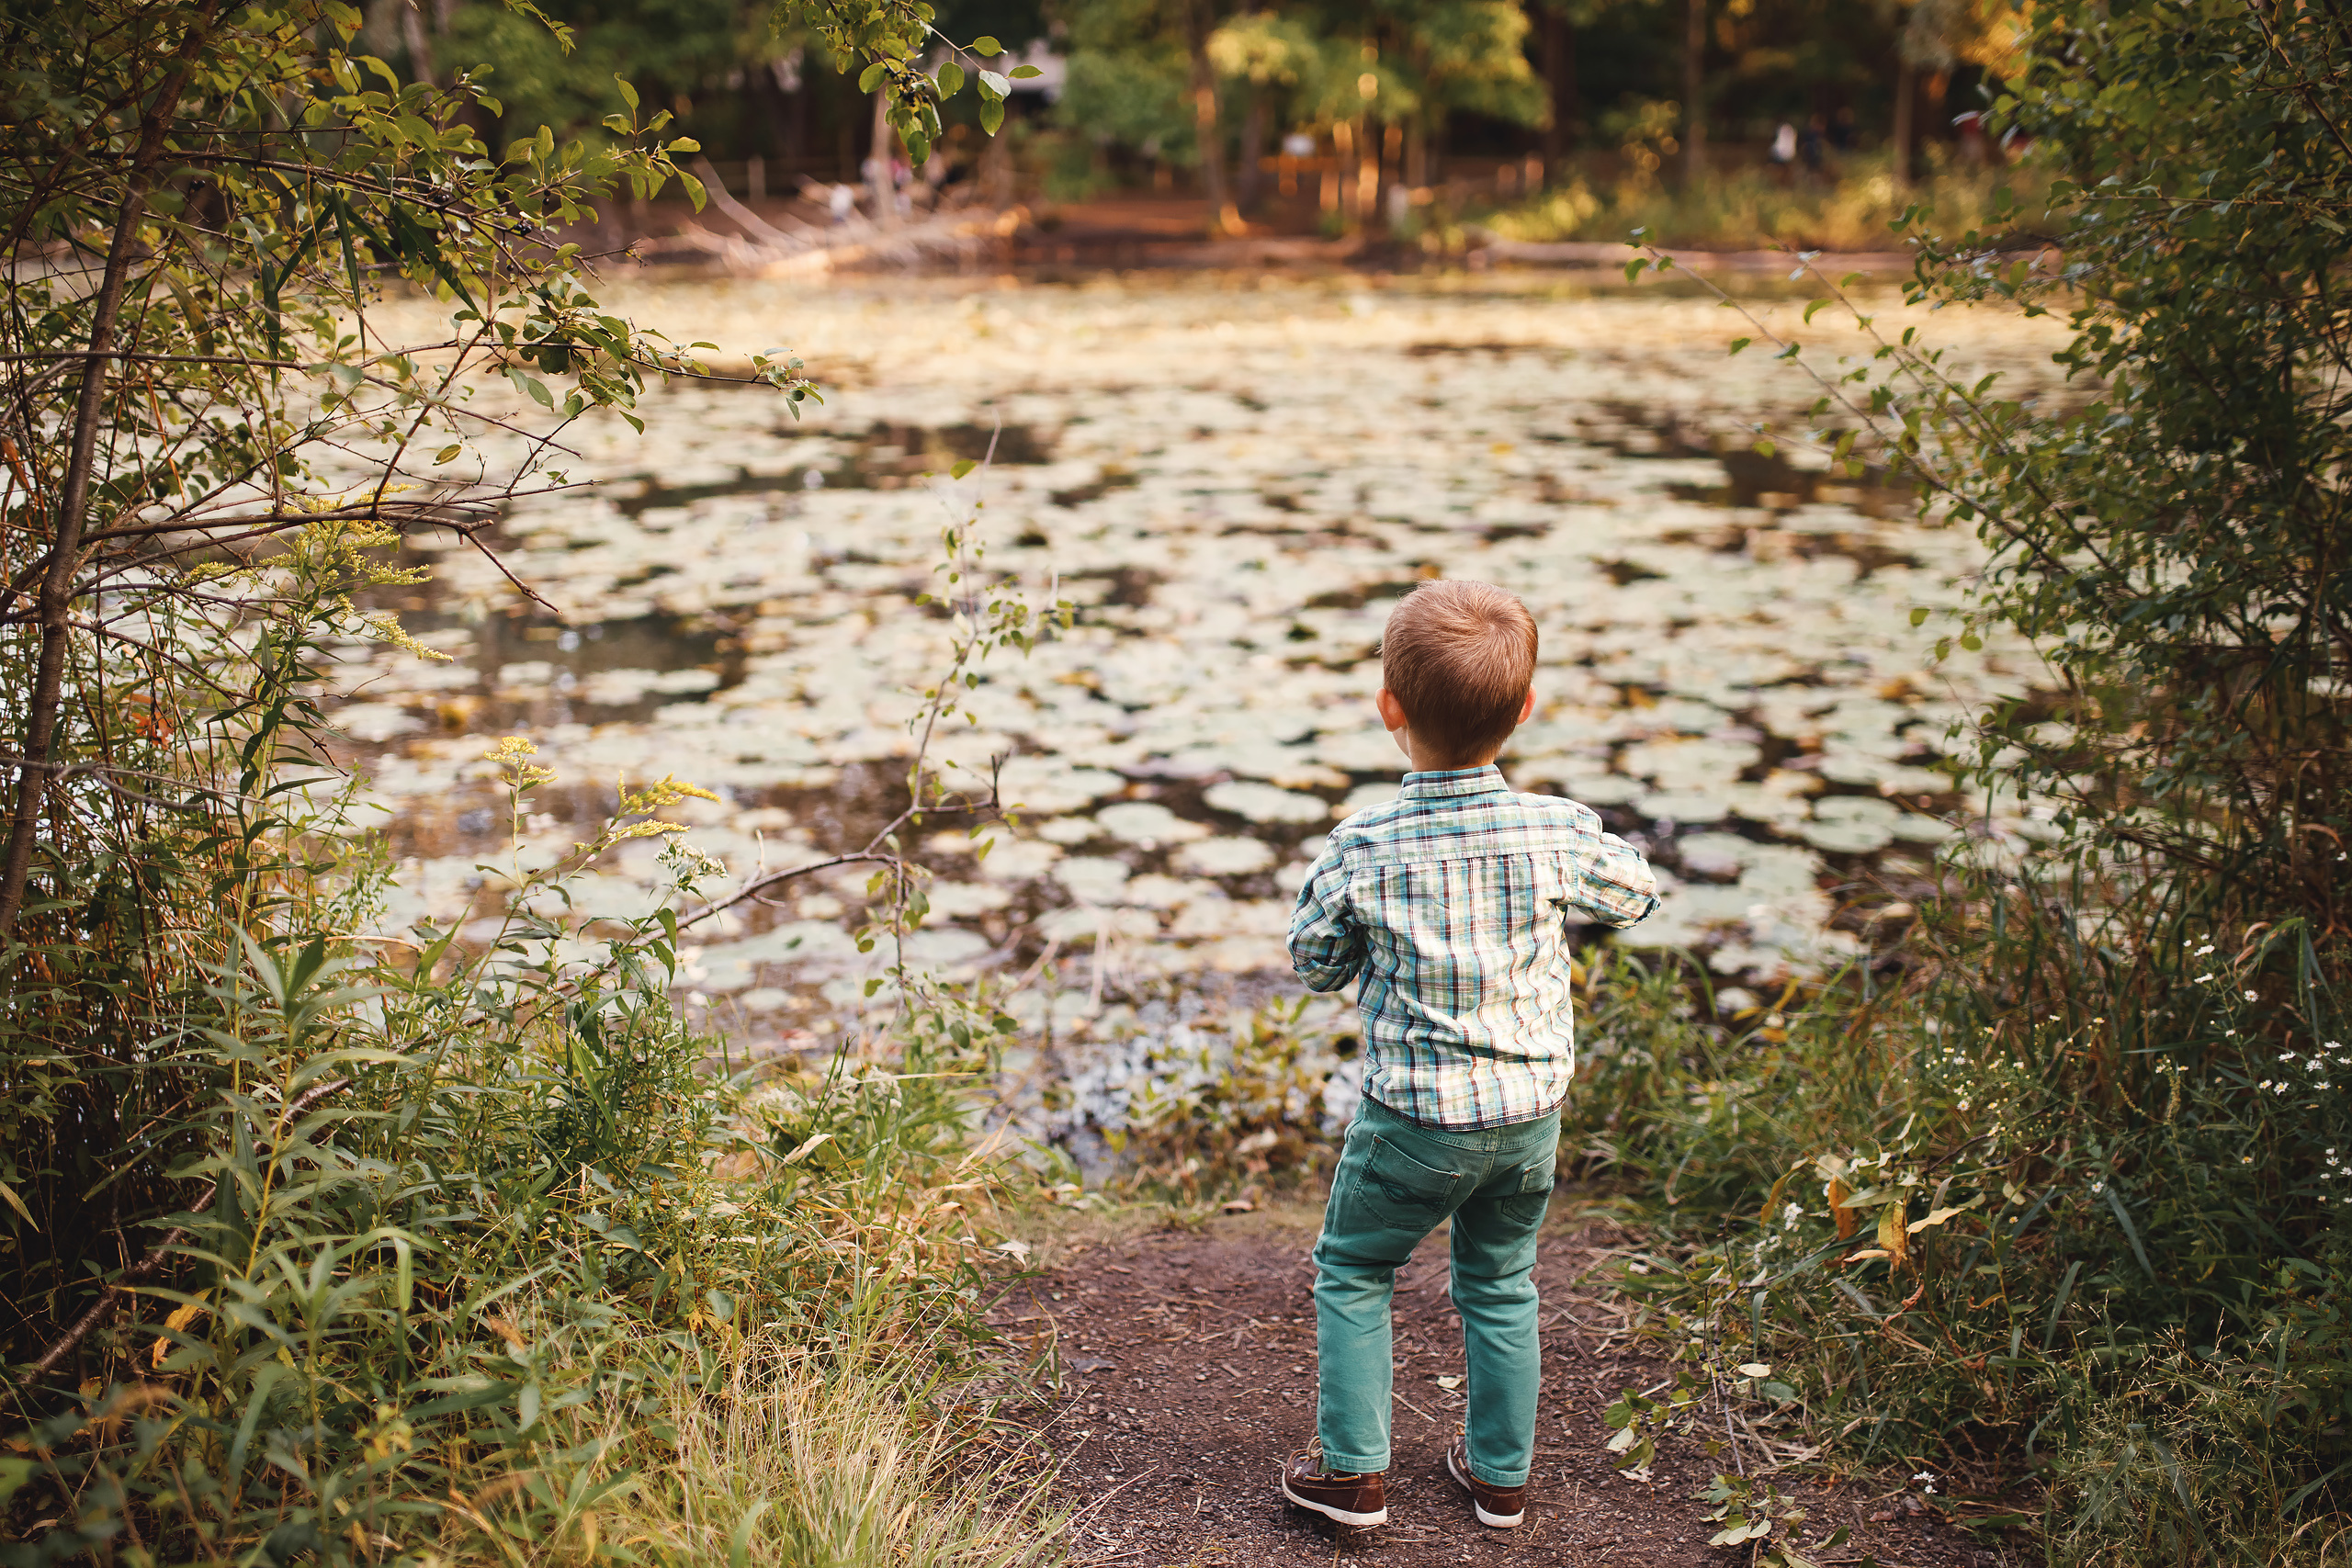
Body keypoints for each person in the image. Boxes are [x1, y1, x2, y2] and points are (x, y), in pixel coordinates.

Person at [1278, 580, 1659, 1533]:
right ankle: (1500, 1479)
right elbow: (1635, 896)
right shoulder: (1555, 829)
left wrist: (1373, 945)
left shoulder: (1362, 846)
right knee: (1498, 1282)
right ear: (1524, 710)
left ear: (1389, 707)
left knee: (1354, 1269)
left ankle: (1352, 1474)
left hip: (1412, 1121)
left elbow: (1315, 962)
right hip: (1527, 1115)